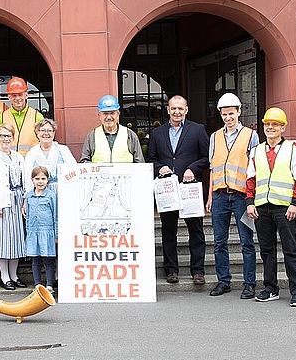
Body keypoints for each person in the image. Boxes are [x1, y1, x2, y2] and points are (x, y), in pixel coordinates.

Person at [245, 107, 296, 306]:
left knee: (291, 250)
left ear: (282, 127)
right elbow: (250, 178)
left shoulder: (292, 148)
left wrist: (295, 203)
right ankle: (270, 288)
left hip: (284, 207)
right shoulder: (257, 150)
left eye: (275, 124)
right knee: (267, 250)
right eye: (267, 124)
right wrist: (249, 202)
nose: (270, 128)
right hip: (263, 207)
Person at [147, 95, 209, 285]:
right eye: (173, 108)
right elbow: (151, 159)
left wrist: (192, 168)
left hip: (189, 188)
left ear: (186, 110)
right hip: (167, 190)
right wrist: (160, 168)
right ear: (168, 110)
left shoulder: (197, 130)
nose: (176, 112)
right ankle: (171, 270)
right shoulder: (157, 133)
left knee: (196, 231)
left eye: (180, 109)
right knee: (168, 231)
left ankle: (198, 271)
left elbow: (207, 157)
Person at [206, 93, 259, 299]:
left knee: (246, 241)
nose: (228, 117)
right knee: (219, 241)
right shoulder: (215, 137)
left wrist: (251, 199)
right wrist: (210, 197)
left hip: (241, 196)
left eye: (231, 113)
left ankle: (249, 283)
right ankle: (223, 281)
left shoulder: (250, 135)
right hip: (219, 195)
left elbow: (254, 169)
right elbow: (212, 168)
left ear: (239, 112)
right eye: (225, 114)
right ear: (220, 114)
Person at [0, 123, 27, 290]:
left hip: (17, 201)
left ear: (13, 137)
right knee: (3, 240)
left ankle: (14, 275)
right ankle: (4, 276)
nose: (6, 139)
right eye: (2, 136)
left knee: (16, 239)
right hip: (2, 202)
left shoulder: (18, 157)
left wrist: (24, 200)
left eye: (9, 136)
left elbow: (24, 181)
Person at [80, 94, 144, 163]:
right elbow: (84, 162)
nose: (109, 117)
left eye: (112, 113)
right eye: (105, 113)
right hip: (101, 174)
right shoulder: (92, 136)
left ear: (118, 115)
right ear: (99, 115)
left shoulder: (130, 135)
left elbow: (140, 164)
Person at [24, 166, 58, 293]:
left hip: (47, 232)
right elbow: (27, 216)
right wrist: (28, 232)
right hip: (33, 232)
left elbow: (55, 215)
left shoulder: (51, 196)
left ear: (48, 180)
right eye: (37, 178)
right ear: (32, 180)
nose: (40, 181)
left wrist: (56, 235)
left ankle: (49, 285)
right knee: (35, 259)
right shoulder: (29, 196)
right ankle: (37, 284)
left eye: (43, 178)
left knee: (48, 259)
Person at [23, 118, 77, 194]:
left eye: (49, 130)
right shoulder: (31, 153)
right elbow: (27, 177)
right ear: (37, 133)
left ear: (54, 133)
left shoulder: (63, 150)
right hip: (40, 195)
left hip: (63, 193)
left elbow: (74, 171)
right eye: (42, 130)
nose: (46, 133)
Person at [0, 77, 43, 156]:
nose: (17, 98)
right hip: (9, 162)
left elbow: (42, 142)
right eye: (14, 95)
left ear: (26, 95)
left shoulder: (37, 116)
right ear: (9, 97)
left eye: (20, 95)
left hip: (31, 162)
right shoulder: (1, 118)